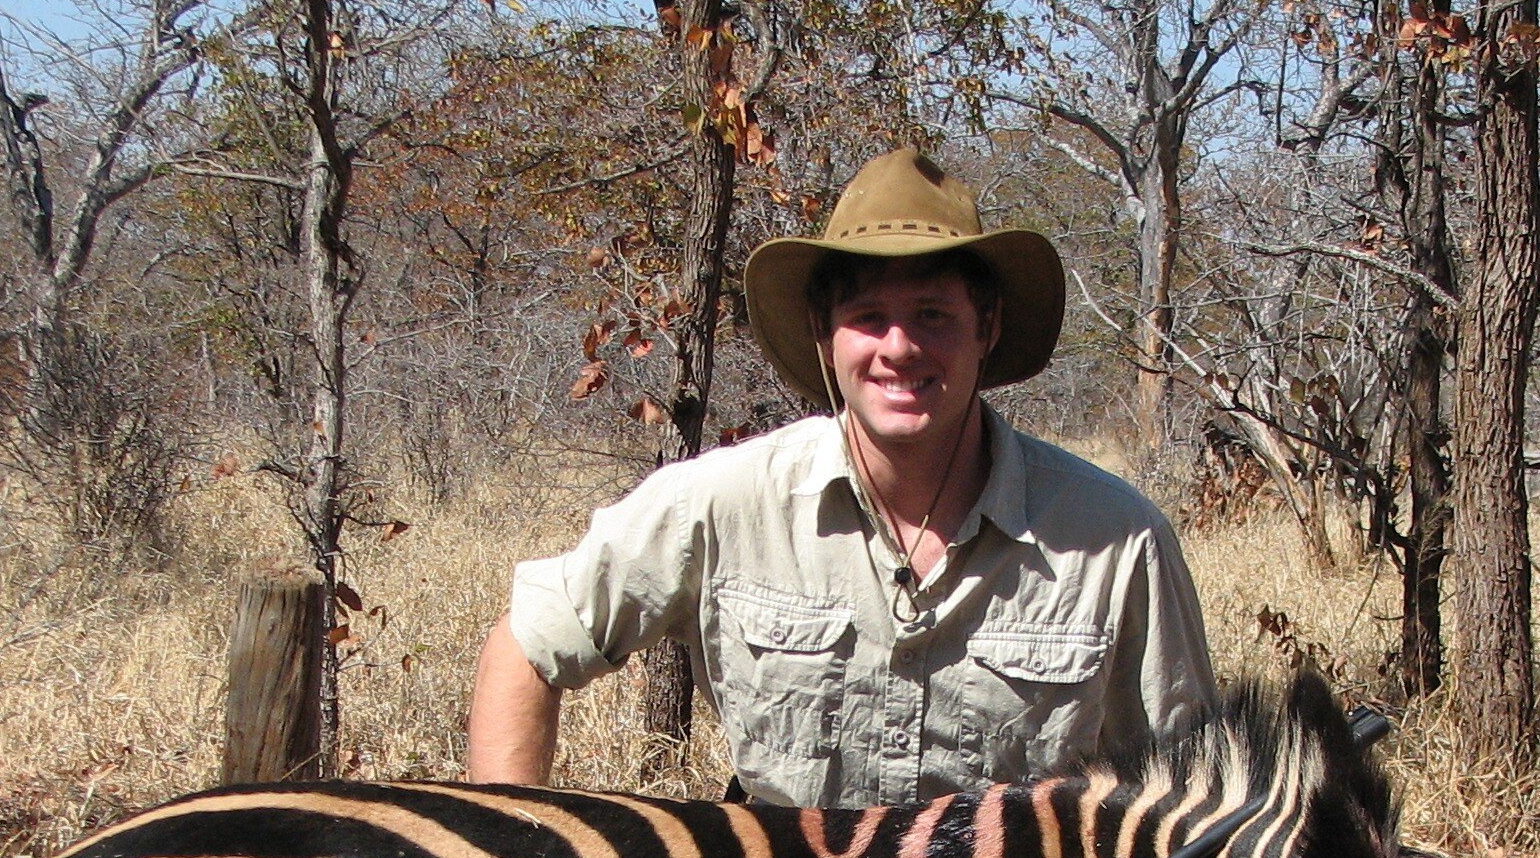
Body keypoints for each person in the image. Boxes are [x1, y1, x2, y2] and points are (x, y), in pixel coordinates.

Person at [465, 148, 1218, 807]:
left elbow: (1189, 791)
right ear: (825, 335)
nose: (899, 348)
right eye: (868, 317)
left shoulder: (1116, 539)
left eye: (933, 316)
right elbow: (526, 648)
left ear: (984, 327)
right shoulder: (723, 499)